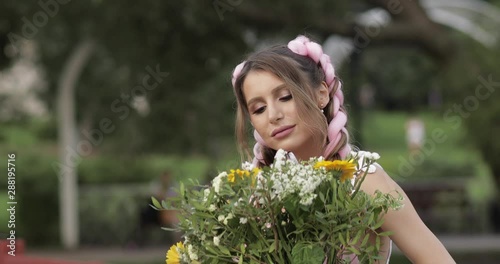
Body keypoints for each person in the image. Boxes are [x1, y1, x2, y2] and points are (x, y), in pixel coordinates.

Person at [230, 35, 455, 263]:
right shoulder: (259, 195)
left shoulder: (362, 182)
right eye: (258, 109)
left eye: (285, 97)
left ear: (322, 94)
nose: (273, 115)